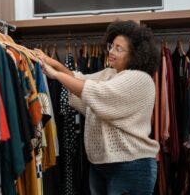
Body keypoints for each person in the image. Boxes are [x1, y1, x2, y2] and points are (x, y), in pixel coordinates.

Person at [35, 20, 160, 195]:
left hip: (132, 166)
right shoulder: (110, 74)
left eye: (119, 48)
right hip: (100, 165)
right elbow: (78, 79)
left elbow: (95, 92)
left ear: (134, 54)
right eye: (111, 46)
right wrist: (52, 63)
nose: (111, 51)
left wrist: (55, 73)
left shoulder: (140, 79)